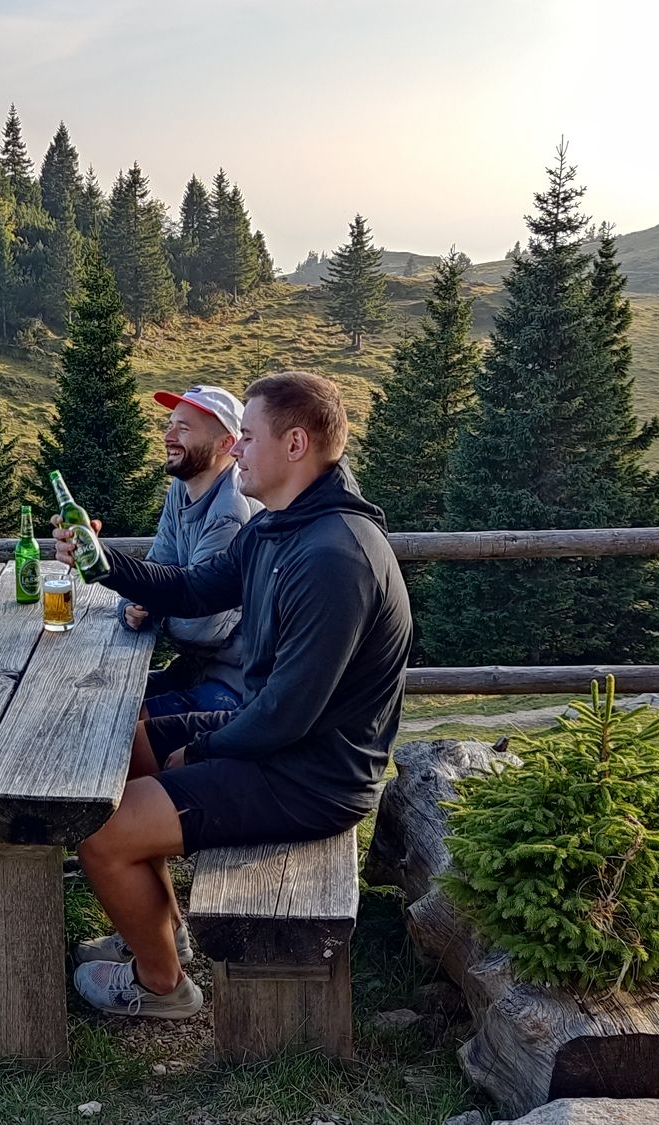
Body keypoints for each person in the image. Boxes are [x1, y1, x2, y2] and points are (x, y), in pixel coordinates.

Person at [55, 371, 413, 1019]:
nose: (236, 450)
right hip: (282, 742)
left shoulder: (335, 556)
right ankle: (161, 929)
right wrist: (100, 561)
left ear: (296, 443)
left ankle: (162, 985)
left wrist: (199, 750)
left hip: (313, 776)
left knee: (102, 829)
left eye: (247, 437)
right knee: (129, 732)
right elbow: (193, 589)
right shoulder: (279, 526)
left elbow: (286, 713)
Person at [123, 386, 257, 719]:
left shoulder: (231, 510)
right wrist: (131, 603)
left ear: (226, 443)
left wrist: (149, 606)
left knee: (122, 725)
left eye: (183, 429)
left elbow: (198, 627)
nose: (168, 436)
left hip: (234, 683)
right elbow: (155, 568)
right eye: (171, 425)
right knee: (108, 704)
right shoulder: (180, 492)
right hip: (197, 668)